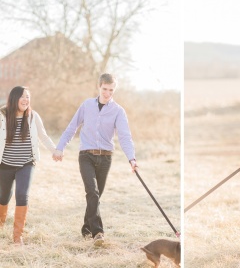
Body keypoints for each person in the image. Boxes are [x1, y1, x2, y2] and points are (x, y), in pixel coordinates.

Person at [53, 73, 138, 246]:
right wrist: (60, 147)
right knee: (92, 192)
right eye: (105, 89)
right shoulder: (86, 105)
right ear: (99, 87)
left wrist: (132, 158)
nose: (107, 93)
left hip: (106, 158)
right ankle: (98, 232)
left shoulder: (118, 111)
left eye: (111, 90)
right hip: (86, 155)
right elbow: (72, 128)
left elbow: (125, 136)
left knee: (95, 197)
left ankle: (86, 229)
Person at [0, 86, 57, 244]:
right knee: (4, 196)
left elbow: (43, 137)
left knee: (22, 195)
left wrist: (55, 150)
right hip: (5, 164)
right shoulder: (2, 115)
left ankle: (18, 236)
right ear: (14, 98)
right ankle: (1, 223)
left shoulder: (33, 116)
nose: (26, 100)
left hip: (26, 163)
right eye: (23, 97)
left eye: (28, 97)